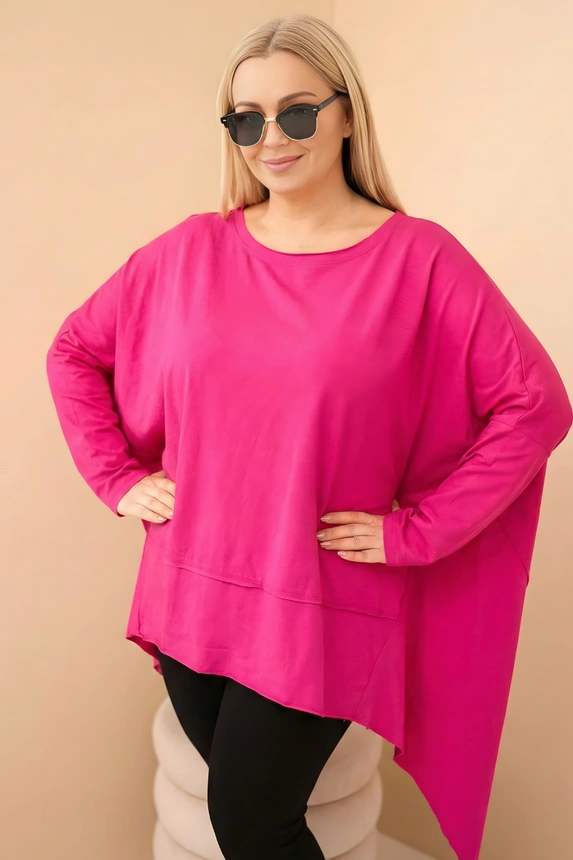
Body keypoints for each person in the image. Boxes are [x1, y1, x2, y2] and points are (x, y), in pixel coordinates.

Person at [45, 13, 572, 860]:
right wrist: (115, 475)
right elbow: (75, 350)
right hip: (189, 583)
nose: (270, 139)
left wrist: (418, 531)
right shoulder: (189, 250)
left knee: (251, 824)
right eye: (245, 119)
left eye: (296, 111)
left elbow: (534, 403)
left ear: (346, 113)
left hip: (319, 598)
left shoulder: (418, 260)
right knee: (244, 814)